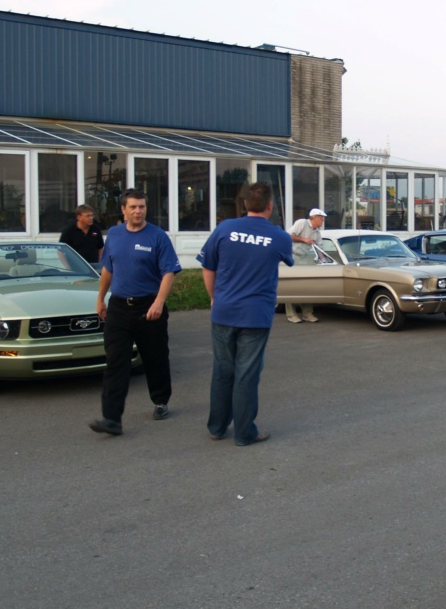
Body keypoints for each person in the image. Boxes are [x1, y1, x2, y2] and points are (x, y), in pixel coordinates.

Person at [197, 182, 294, 447]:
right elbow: (287, 259)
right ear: (270, 206)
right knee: (246, 374)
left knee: (222, 371)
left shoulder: (225, 228)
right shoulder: (279, 237)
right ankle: (244, 433)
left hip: (224, 311)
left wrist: (214, 297)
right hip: (256, 315)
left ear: (244, 205)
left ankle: (217, 427)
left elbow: (207, 266)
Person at [89, 189, 181, 436]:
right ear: (123, 210)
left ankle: (161, 400)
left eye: (141, 206)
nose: (138, 211)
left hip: (149, 307)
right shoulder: (115, 235)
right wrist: (100, 298)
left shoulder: (157, 236)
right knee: (115, 363)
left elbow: (169, 272)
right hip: (119, 308)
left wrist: (159, 303)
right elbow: (108, 269)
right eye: (133, 207)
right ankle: (112, 419)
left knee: (156, 358)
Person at [284, 207, 327, 323]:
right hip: (291, 256)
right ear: (315, 218)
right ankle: (291, 314)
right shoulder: (301, 223)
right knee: (291, 286)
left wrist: (324, 261)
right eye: (321, 218)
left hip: (304, 259)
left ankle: (307, 314)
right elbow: (287, 236)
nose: (322, 221)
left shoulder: (317, 232)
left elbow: (319, 249)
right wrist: (304, 239)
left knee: (306, 286)